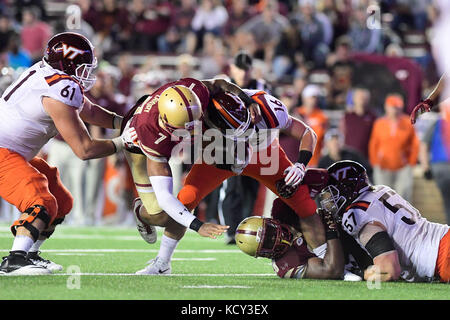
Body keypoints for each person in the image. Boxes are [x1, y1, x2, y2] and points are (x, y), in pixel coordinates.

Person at [140, 89, 327, 275]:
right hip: (220, 153)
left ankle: (327, 259)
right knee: (185, 200)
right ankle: (163, 262)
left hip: (264, 155)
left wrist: (301, 164)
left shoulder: (267, 109)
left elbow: (306, 133)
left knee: (303, 203)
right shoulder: (202, 110)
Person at [0, 32, 126, 275]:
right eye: (82, 67)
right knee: (41, 201)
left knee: (62, 200)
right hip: (3, 153)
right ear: (68, 62)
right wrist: (125, 142)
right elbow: (85, 149)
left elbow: (86, 109)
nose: (86, 73)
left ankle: (30, 253)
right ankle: (14, 260)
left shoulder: (49, 74)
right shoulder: (59, 87)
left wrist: (124, 122)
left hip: (14, 152)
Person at [120, 77, 261, 275]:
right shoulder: (152, 135)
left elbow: (219, 82)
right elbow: (165, 197)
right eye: (188, 125)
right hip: (137, 145)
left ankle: (162, 264)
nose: (194, 128)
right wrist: (198, 225)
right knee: (160, 215)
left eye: (196, 120)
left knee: (185, 202)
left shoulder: (195, 91)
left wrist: (246, 99)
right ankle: (140, 212)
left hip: (173, 117)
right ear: (168, 123)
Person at [318, 160, 450, 282]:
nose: (328, 202)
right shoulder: (380, 190)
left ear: (347, 188)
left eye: (332, 194)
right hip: (443, 238)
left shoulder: (356, 214)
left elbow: (389, 270)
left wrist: (365, 273)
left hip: (442, 256)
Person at [217, 51, 271, 244]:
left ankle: (246, 230)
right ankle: (231, 230)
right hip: (229, 142)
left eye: (246, 69)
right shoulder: (223, 84)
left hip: (255, 143)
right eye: (240, 68)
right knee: (231, 185)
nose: (244, 73)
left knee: (251, 187)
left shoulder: (262, 86)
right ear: (232, 69)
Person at [235, 198, 344, 280]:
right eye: (268, 242)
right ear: (263, 254)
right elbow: (333, 271)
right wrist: (331, 229)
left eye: (270, 231)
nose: (275, 238)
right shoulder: (286, 265)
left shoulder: (285, 212)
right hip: (345, 258)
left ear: (271, 221)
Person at [368, 93, 419, 201]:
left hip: (403, 167)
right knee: (383, 197)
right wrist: (375, 162)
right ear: (386, 107)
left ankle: (404, 218)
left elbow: (414, 143)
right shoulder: (379, 123)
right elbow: (374, 144)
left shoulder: (408, 122)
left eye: (398, 107)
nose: (395, 110)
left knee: (402, 196)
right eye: (393, 107)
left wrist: (411, 163)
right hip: (383, 166)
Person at [419, 104, 450, 224]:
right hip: (441, 167)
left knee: (448, 201)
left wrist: (425, 168)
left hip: (439, 168)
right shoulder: (437, 124)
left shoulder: (437, 124)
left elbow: (423, 146)